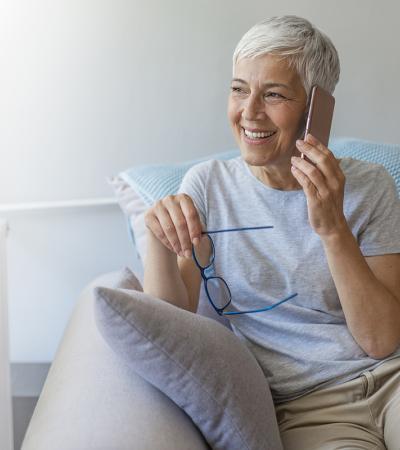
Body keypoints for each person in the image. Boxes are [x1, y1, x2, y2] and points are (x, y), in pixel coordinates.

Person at [143, 15, 400, 449]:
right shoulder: (207, 187)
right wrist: (157, 240)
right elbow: (171, 327)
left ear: (317, 107)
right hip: (309, 406)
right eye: (239, 88)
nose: (249, 112)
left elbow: (381, 339)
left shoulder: (371, 185)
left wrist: (333, 229)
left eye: (274, 94)